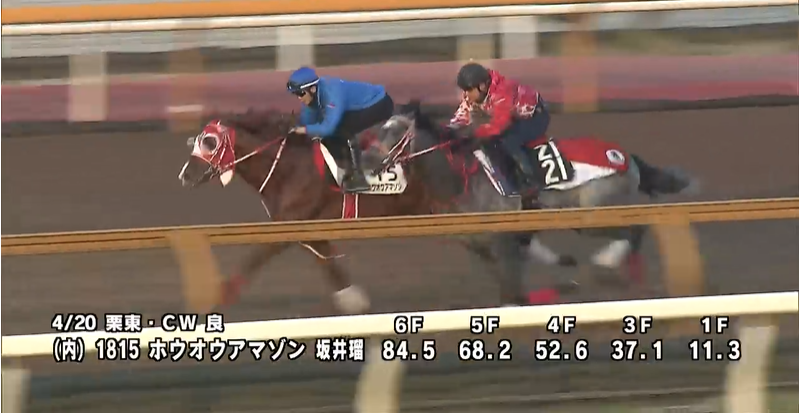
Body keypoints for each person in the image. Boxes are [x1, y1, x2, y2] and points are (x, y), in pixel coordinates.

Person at [286, 66, 394, 193]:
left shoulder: (331, 92)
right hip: (357, 107)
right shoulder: (312, 97)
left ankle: (358, 178)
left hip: (379, 104)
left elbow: (328, 128)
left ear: (313, 89)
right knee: (326, 134)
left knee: (339, 129)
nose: (299, 98)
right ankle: (343, 166)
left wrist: (304, 130)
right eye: (296, 94)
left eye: (300, 93)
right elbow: (306, 122)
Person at [449, 62, 550, 193]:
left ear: (482, 86)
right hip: (514, 117)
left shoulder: (502, 90)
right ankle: (508, 179)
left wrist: (474, 134)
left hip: (536, 116)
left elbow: (499, 125)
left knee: (510, 141)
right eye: (465, 91)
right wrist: (448, 131)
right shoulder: (474, 94)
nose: (466, 95)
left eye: (469, 90)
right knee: (492, 143)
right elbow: (461, 117)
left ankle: (531, 180)